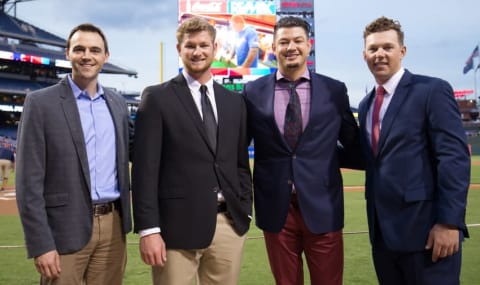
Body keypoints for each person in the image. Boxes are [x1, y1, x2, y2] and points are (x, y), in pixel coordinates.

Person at [131, 16, 252, 285]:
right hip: (175, 227)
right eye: (190, 46)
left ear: (215, 48)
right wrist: (149, 230)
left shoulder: (234, 102)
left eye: (203, 45)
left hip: (227, 224)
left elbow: (240, 164)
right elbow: (144, 170)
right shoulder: (157, 97)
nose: (197, 52)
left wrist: (245, 210)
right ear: (179, 50)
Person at [243, 16, 361, 285]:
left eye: (297, 41)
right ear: (273, 47)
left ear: (309, 45)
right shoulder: (253, 91)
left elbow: (353, 145)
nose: (290, 47)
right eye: (283, 42)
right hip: (276, 209)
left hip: (323, 205)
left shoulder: (334, 90)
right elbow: (238, 148)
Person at [15, 23, 133, 285]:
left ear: (106, 56)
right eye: (79, 49)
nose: (87, 56)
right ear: (67, 53)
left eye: (95, 50)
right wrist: (41, 244)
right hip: (64, 229)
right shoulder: (40, 103)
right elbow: (27, 181)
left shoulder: (117, 104)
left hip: (114, 226)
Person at [358, 16, 470, 285]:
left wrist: (450, 222)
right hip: (383, 238)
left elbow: (453, 158)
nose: (380, 54)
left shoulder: (431, 90)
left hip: (428, 234)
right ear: (365, 55)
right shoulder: (366, 104)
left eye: (387, 47)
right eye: (373, 49)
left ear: (402, 51)